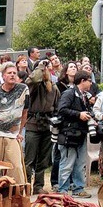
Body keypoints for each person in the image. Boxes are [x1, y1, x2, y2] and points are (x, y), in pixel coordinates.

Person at [0, 62, 29, 184]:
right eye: (9, 73)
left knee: (16, 166)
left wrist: (19, 131)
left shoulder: (23, 89)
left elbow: (25, 112)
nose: (12, 75)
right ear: (3, 76)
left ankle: (17, 195)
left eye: (14, 73)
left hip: (12, 134)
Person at [56, 70, 93, 198]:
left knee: (80, 163)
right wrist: (79, 114)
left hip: (80, 134)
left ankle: (78, 188)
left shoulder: (84, 95)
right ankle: (63, 190)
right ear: (82, 81)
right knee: (67, 163)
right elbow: (61, 110)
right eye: (89, 80)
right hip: (68, 134)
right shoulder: (69, 93)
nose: (91, 83)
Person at [24, 60, 60, 194]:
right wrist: (40, 67)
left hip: (47, 125)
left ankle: (38, 186)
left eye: (47, 69)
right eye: (43, 69)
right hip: (33, 124)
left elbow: (57, 106)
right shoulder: (34, 87)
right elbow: (31, 81)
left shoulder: (54, 88)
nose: (46, 71)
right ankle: (26, 185)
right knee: (29, 159)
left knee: (43, 159)